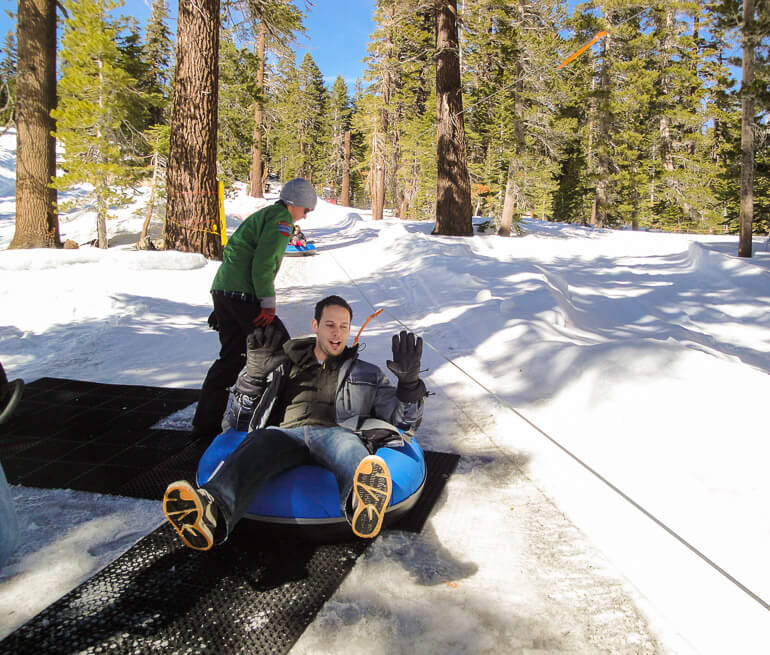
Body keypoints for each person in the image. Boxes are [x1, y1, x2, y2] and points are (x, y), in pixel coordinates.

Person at [163, 295, 427, 550]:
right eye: (330, 325)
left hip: (335, 433)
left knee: (349, 446)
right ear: (315, 326)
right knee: (260, 442)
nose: (337, 333)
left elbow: (403, 425)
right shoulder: (279, 363)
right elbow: (235, 422)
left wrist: (409, 385)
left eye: (344, 326)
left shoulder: (367, 373)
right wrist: (254, 377)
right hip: (284, 434)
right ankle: (212, 511)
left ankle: (363, 503)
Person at [192, 178, 318, 442]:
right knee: (282, 348)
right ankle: (288, 417)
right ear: (295, 204)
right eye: (307, 210)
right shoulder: (282, 221)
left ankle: (205, 424)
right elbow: (263, 263)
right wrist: (267, 304)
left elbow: (236, 253)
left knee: (232, 356)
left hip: (226, 291)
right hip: (243, 295)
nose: (306, 216)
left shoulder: (266, 215)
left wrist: (225, 304)